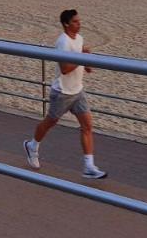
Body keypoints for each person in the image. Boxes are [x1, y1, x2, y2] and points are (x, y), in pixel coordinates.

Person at [24, 9, 107, 179]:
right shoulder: (63, 42)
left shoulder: (79, 39)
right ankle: (32, 145)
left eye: (79, 20)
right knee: (50, 122)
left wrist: (87, 64)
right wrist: (81, 57)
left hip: (78, 91)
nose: (79, 24)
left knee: (87, 126)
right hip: (62, 92)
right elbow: (64, 68)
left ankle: (89, 166)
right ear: (66, 24)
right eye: (76, 21)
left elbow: (80, 58)